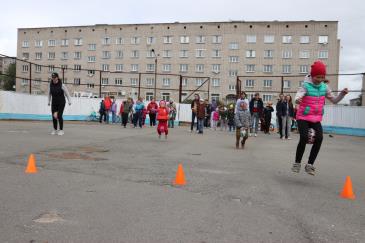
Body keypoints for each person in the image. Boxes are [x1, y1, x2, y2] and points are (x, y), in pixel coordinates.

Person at [291, 61, 348, 175]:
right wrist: (297, 99)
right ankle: (297, 163)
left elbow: (334, 100)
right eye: (318, 77)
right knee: (303, 137)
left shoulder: (324, 87)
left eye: (322, 77)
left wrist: (342, 94)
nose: (320, 79)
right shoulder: (305, 85)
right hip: (303, 116)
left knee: (320, 138)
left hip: (316, 118)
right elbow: (298, 94)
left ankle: (310, 164)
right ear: (312, 76)